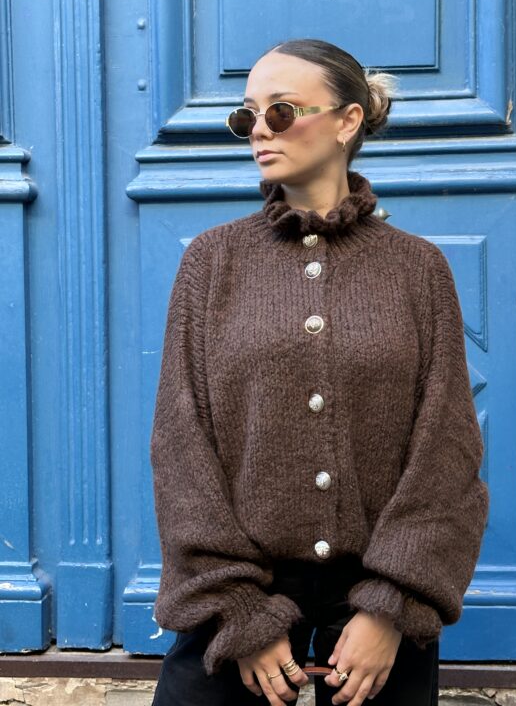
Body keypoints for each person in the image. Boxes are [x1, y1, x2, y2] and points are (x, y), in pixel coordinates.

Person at [150, 38, 489, 706]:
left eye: (280, 112)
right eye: (246, 116)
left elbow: (447, 447)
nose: (259, 131)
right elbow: (180, 444)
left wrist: (391, 605)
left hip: (377, 593)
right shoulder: (212, 263)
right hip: (238, 591)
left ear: (347, 120)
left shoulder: (417, 269)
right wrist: (238, 611)